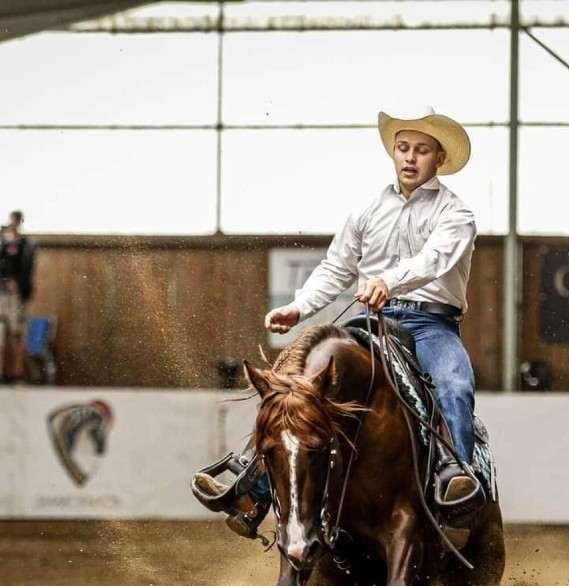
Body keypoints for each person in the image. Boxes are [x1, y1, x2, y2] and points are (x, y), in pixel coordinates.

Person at [193, 107, 484, 535]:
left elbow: (435, 260)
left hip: (431, 326)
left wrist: (389, 281)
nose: (410, 157)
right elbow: (336, 268)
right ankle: (254, 486)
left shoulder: (456, 214)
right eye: (403, 148)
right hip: (371, 321)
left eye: (421, 151)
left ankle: (456, 484)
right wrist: (299, 307)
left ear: (439, 159)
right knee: (295, 386)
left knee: (455, 385)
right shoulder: (366, 211)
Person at [0, 211, 36, 383]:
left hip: (16, 296)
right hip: (2, 294)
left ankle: (17, 374)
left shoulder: (25, 244)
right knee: (1, 334)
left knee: (16, 333)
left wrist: (18, 284)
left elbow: (27, 269)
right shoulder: (2, 241)